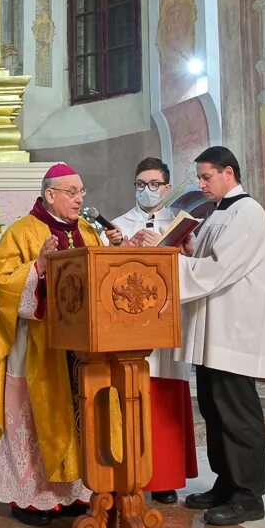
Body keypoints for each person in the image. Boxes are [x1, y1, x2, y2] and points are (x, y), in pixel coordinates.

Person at [0, 164, 122, 526]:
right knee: (34, 419)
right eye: (71, 192)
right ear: (50, 194)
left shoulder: (89, 231)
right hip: (37, 348)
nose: (79, 198)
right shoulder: (23, 231)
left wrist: (119, 253)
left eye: (82, 191)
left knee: (82, 414)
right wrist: (37, 268)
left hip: (84, 348)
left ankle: (77, 493)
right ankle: (31, 499)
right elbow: (2, 284)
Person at [173, 147, 265, 527]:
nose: (201, 185)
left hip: (233, 327)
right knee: (215, 410)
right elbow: (207, 259)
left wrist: (179, 263)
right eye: (199, 178)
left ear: (228, 172)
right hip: (212, 327)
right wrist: (188, 250)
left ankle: (249, 496)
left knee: (237, 412)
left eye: (206, 177)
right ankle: (225, 482)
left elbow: (219, 269)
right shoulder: (219, 212)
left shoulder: (248, 212)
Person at [113, 156, 198, 505]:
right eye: (140, 185)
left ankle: (165, 479)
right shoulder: (120, 224)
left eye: (153, 185)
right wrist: (121, 247)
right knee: (134, 396)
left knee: (166, 398)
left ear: (166, 187)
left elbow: (196, 270)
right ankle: (132, 473)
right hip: (132, 324)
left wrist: (182, 250)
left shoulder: (182, 224)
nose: (146, 191)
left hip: (168, 319)